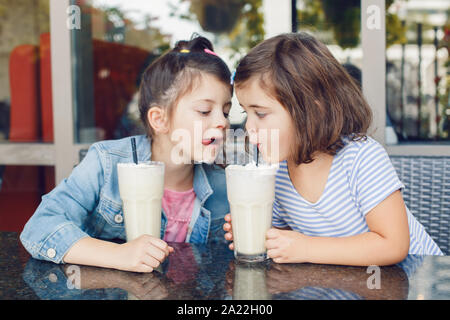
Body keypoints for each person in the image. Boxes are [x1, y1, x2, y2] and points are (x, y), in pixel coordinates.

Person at [223, 32, 443, 267]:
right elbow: (286, 235)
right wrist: (256, 232)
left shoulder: (361, 159)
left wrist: (305, 247)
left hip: (421, 279)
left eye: (261, 113)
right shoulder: (275, 172)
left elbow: (393, 245)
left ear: (312, 111)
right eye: (247, 113)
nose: (248, 127)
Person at [20, 36, 233, 273]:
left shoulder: (225, 185)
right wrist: (120, 254)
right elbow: (39, 228)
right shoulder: (106, 163)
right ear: (159, 119)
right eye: (205, 111)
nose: (222, 122)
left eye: (225, 112)